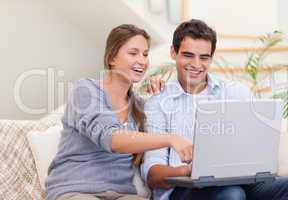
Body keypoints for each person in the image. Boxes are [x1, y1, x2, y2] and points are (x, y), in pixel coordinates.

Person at [141, 19, 288, 200]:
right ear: (173, 52)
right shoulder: (158, 102)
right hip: (185, 189)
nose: (196, 64)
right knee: (232, 195)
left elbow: (261, 140)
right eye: (188, 55)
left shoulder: (236, 92)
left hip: (245, 182)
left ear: (211, 58)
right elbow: (153, 175)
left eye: (204, 57)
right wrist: (187, 170)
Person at [45, 24, 193, 200]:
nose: (142, 60)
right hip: (75, 189)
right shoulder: (85, 90)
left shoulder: (139, 105)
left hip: (122, 193)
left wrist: (159, 98)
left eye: (145, 54)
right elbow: (112, 138)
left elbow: (169, 121)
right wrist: (170, 139)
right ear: (112, 58)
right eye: (133, 53)